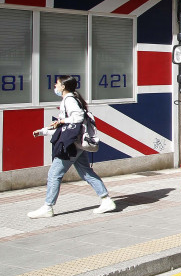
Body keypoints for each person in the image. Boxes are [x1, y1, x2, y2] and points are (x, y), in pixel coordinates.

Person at [27, 75, 116, 218]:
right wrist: (43, 131)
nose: (55, 87)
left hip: (72, 145)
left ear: (63, 86)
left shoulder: (69, 100)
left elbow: (78, 118)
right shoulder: (70, 100)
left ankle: (48, 207)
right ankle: (106, 200)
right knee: (86, 172)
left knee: (54, 174)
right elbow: (65, 125)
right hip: (78, 144)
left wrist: (61, 121)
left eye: (57, 84)